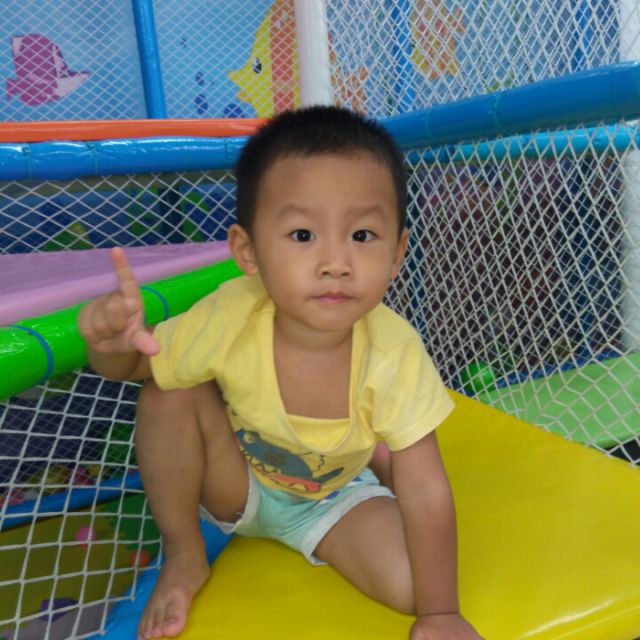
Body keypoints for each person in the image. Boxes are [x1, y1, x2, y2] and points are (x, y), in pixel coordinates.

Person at [78, 106, 483, 640]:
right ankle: (184, 553)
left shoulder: (394, 351)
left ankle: (377, 456)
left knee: (416, 587)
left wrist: (441, 614)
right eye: (303, 235)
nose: (335, 262)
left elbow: (427, 489)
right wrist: (108, 345)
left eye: (363, 235)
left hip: (333, 498)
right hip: (237, 482)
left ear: (397, 252)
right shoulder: (232, 315)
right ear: (248, 251)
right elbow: (134, 366)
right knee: (166, 391)